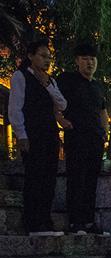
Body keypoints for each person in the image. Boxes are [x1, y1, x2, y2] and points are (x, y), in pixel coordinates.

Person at [8, 39, 69, 236]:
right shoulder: (21, 76)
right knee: (35, 177)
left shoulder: (50, 80)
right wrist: (21, 135)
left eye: (49, 57)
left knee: (49, 178)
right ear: (31, 56)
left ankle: (45, 219)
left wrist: (48, 86)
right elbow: (15, 107)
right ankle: (33, 222)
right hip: (33, 132)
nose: (46, 61)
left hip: (49, 133)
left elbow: (63, 105)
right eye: (42, 56)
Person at [57, 43, 109, 234]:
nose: (90, 63)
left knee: (91, 180)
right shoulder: (67, 80)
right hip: (77, 136)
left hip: (95, 138)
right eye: (85, 59)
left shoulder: (97, 86)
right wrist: (61, 120)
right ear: (77, 61)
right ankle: (75, 221)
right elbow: (54, 99)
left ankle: (88, 221)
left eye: (93, 59)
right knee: (76, 177)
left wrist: (105, 132)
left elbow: (103, 110)